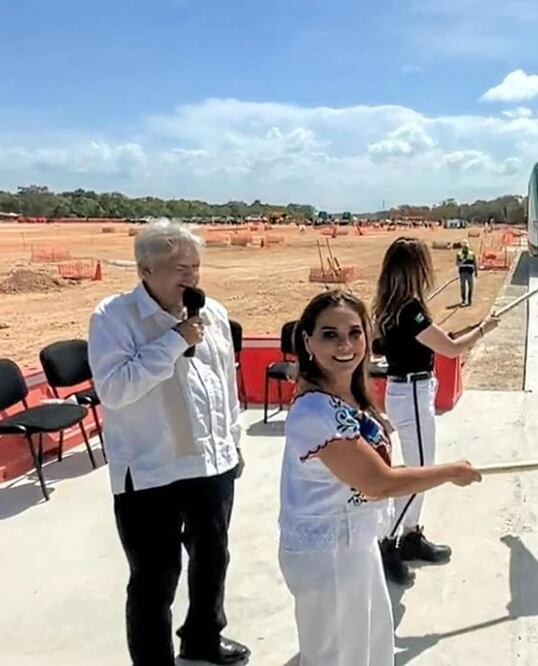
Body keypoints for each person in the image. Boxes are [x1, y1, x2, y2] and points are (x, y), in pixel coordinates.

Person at [279, 289, 481, 665]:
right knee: (336, 655)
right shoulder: (314, 413)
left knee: (368, 645)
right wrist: (450, 472)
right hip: (327, 553)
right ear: (307, 341)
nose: (345, 344)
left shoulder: (348, 398)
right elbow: (379, 483)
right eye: (330, 334)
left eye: (355, 333)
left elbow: (374, 476)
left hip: (356, 540)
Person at [88, 220, 249, 665]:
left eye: (196, 266)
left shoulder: (211, 312)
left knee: (212, 562)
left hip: (211, 467)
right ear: (145, 270)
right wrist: (174, 342)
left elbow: (224, 385)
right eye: (181, 268)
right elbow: (116, 389)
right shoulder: (113, 317)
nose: (192, 276)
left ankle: (202, 638)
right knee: (154, 580)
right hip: (148, 473)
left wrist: (232, 444)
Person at [373, 237, 499, 585]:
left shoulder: (389, 305)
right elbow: (450, 349)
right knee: (419, 473)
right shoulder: (410, 308)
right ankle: (389, 542)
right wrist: (483, 329)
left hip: (408, 390)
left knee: (419, 468)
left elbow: (425, 341)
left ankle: (411, 533)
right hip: (411, 390)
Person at [456, 240, 477, 306]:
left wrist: (476, 271)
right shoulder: (459, 254)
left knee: (470, 286)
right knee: (463, 287)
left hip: (469, 273)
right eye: (464, 247)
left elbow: (475, 263)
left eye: (466, 247)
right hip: (462, 273)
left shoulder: (472, 254)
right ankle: (463, 300)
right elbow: (457, 263)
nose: (466, 248)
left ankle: (469, 299)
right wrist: (462, 261)